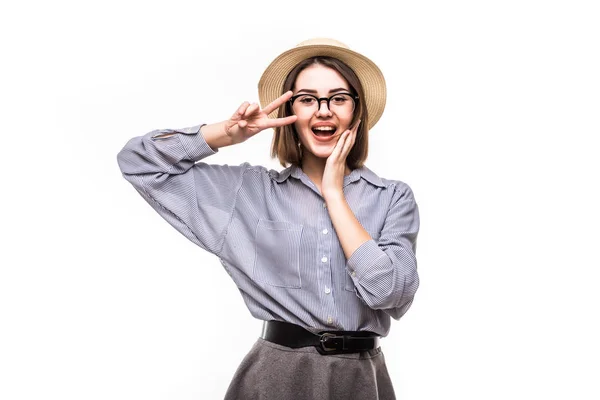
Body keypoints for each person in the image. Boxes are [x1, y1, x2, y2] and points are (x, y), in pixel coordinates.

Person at [117, 38, 420, 400]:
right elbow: (138, 162)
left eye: (338, 98)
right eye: (307, 99)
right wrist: (225, 135)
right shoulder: (248, 193)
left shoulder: (392, 198)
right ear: (290, 113)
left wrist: (334, 195)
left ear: (356, 112)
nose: (323, 110)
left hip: (360, 379)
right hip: (277, 378)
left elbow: (390, 292)